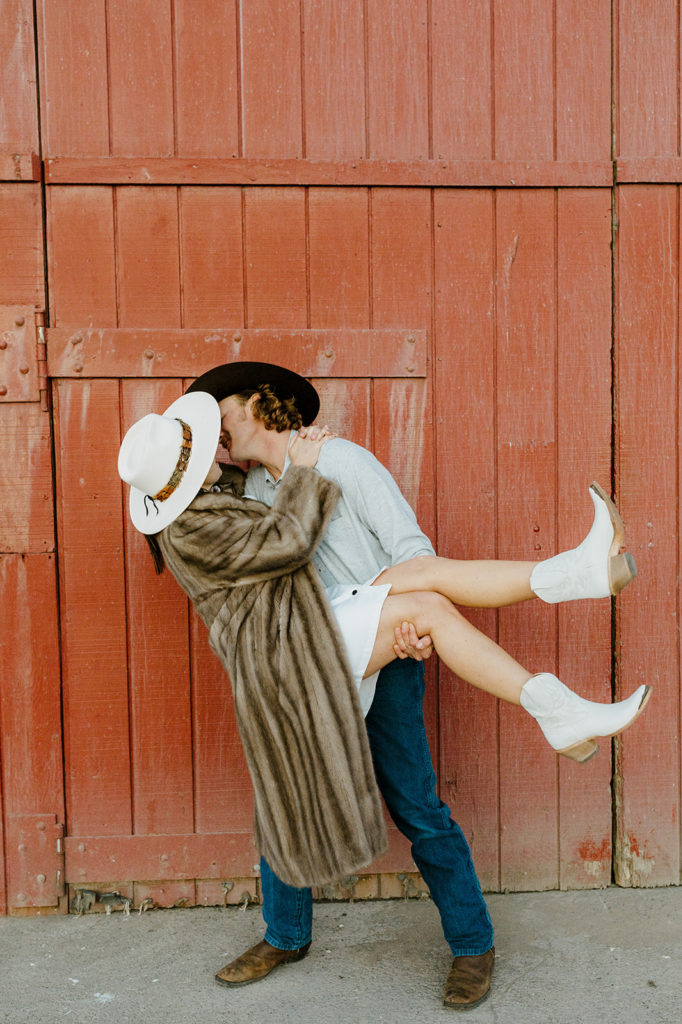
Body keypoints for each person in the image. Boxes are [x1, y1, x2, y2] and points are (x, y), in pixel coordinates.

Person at [118, 371, 648, 1011]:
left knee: (419, 806)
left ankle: (472, 946)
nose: (213, 429)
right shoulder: (240, 489)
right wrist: (296, 474)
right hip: (306, 653)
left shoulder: (342, 460)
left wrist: (413, 631)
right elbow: (258, 541)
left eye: (219, 412)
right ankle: (285, 935)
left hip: (381, 646)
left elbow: (410, 548)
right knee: (285, 795)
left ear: (259, 404)